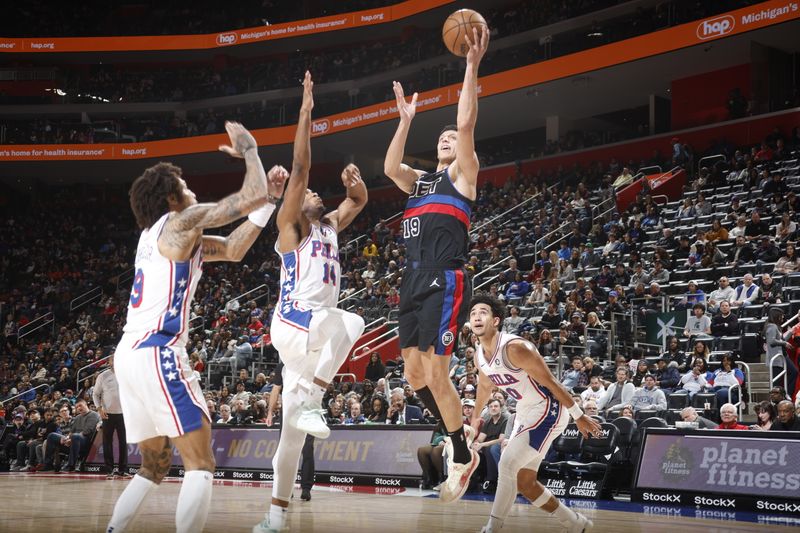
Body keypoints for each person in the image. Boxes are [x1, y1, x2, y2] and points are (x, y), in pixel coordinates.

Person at [107, 119, 287, 533]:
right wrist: (251, 150)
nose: (191, 189)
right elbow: (248, 195)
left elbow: (236, 249)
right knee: (200, 461)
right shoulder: (181, 221)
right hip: (158, 349)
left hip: (129, 356)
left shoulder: (158, 237)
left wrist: (268, 203)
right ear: (171, 196)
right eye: (184, 184)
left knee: (153, 465)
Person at [257, 73, 368, 533]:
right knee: (354, 321)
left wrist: (355, 180)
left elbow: (358, 200)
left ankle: (274, 517)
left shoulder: (330, 225)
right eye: (311, 194)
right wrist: (305, 111)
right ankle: (317, 400)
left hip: (311, 337)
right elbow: (301, 169)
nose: (318, 194)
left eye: (322, 193)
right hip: (292, 321)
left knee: (291, 437)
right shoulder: (293, 227)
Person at [383, 27, 489, 504]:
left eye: (452, 136)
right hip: (411, 277)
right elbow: (389, 167)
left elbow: (465, 125)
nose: (448, 138)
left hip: (446, 276)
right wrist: (405, 120)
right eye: (442, 137)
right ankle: (453, 435)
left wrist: (470, 66)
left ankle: (463, 452)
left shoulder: (463, 175)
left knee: (437, 371)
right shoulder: (420, 182)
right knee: (411, 374)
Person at [468, 294, 600, 533]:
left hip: (548, 408)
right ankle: (575, 523)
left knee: (507, 464)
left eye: (483, 311)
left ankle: (492, 528)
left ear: (495, 320)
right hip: (525, 412)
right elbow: (485, 387)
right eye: (473, 312)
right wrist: (474, 419)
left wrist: (578, 415)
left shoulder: (516, 348)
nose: (477, 316)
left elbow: (551, 382)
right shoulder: (478, 354)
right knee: (525, 482)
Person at [264, 362, 315, 502]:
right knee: (286, 451)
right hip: (288, 413)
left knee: (307, 449)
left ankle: (306, 488)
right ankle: (287, 487)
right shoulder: (283, 366)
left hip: (307, 410)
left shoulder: (310, 360)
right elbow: (276, 389)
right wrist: (270, 413)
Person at [93, 355, 129, 479]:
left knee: (123, 442)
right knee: (107, 442)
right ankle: (109, 470)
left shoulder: (127, 375)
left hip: (124, 414)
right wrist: (99, 409)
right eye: (112, 359)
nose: (115, 361)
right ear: (109, 362)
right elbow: (95, 394)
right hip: (107, 414)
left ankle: (122, 470)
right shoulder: (103, 376)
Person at [764, 307, 797, 400]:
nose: (783, 317)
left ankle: (787, 395)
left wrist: (791, 332)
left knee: (793, 371)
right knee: (776, 382)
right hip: (776, 358)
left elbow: (781, 340)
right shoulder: (772, 326)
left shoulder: (777, 327)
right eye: (781, 315)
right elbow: (771, 341)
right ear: (776, 315)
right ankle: (775, 401)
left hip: (783, 355)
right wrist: (785, 343)